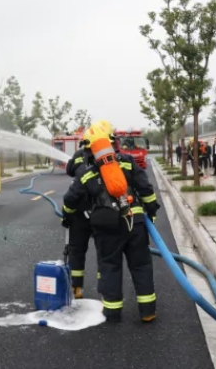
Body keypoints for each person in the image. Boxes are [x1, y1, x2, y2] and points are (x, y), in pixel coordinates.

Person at [62, 122, 160, 323]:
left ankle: (113, 311)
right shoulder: (127, 161)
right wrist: (150, 213)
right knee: (141, 265)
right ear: (113, 142)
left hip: (106, 225)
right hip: (135, 221)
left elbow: (70, 199)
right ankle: (147, 311)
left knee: (110, 266)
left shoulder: (87, 172)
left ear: (88, 147)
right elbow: (146, 190)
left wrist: (67, 214)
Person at [63, 131, 97, 299]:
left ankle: (77, 289)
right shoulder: (108, 156)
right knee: (106, 253)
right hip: (102, 211)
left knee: (76, 251)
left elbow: (69, 171)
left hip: (79, 212)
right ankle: (107, 293)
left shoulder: (78, 155)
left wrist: (66, 216)